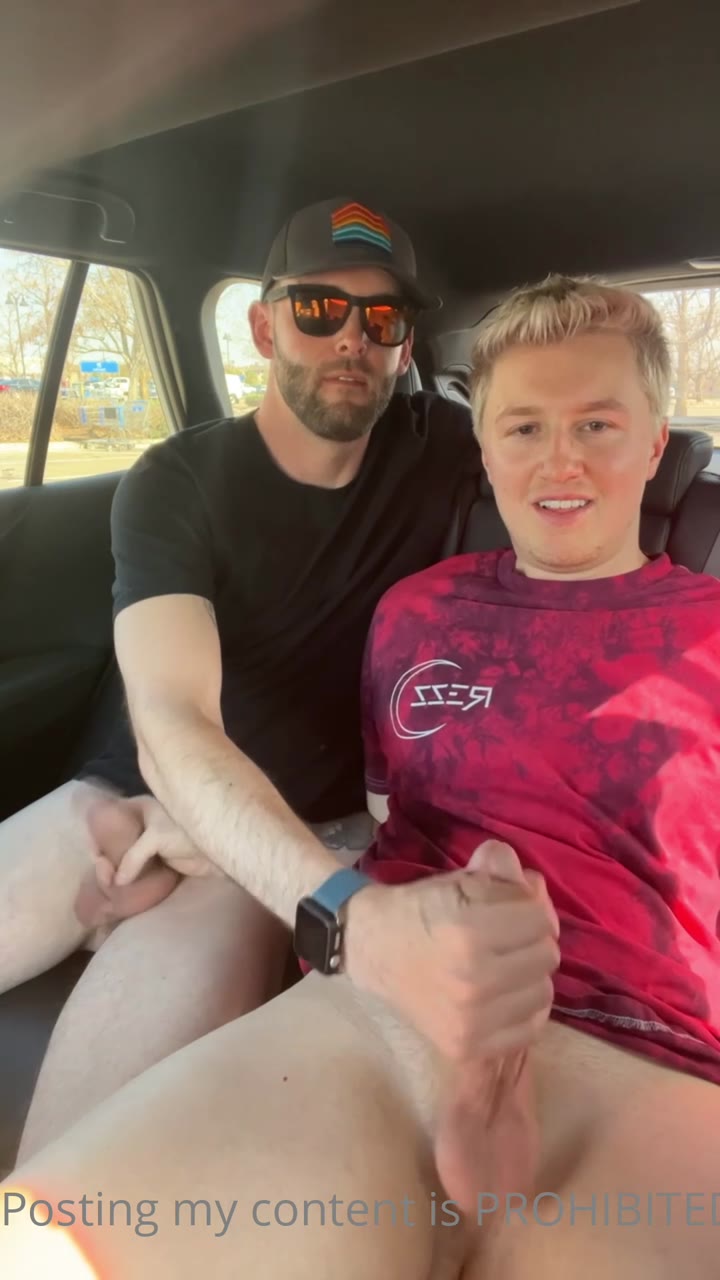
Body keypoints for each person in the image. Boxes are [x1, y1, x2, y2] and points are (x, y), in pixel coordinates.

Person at [4, 275, 719, 1280]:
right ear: (484, 450)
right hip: (377, 1016)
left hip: (652, 1051)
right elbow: (382, 822)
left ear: (654, 443)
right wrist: (218, 835)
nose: (559, 459)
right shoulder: (416, 613)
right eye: (523, 428)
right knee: (46, 1249)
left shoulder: (707, 632)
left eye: (597, 424)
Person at [0, 196, 479, 1159]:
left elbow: (559, 433)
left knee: (73, 1174)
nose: (352, 338)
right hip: (127, 800)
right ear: (264, 328)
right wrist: (342, 908)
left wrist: (299, 876)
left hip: (291, 837)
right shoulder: (176, 482)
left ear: (404, 347)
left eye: (383, 318)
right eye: (320, 309)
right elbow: (171, 719)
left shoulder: (448, 451)